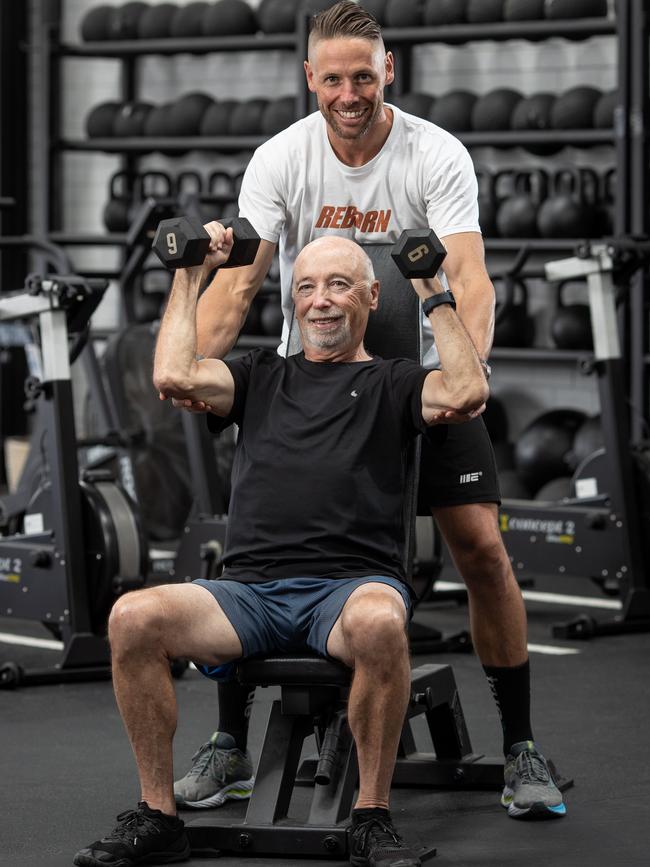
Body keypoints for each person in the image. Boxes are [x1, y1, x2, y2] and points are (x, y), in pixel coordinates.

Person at [173, 0, 566, 823]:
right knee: (257, 546)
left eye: (364, 75)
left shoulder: (435, 152)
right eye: (333, 78)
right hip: (313, 385)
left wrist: (468, 377)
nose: (349, 93)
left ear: (390, 71)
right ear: (309, 78)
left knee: (483, 548)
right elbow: (243, 280)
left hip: (418, 377)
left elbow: (470, 276)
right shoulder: (281, 158)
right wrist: (195, 370)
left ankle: (523, 744)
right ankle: (231, 746)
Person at [74, 232, 488, 867]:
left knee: (380, 622)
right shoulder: (259, 374)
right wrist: (191, 272)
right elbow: (173, 373)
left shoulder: (397, 382)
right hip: (250, 595)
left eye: (339, 286)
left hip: (349, 589)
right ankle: (159, 816)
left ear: (373, 297)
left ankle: (371, 817)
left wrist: (432, 287)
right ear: (292, 302)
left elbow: (466, 392)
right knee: (132, 617)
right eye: (306, 287)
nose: (320, 302)